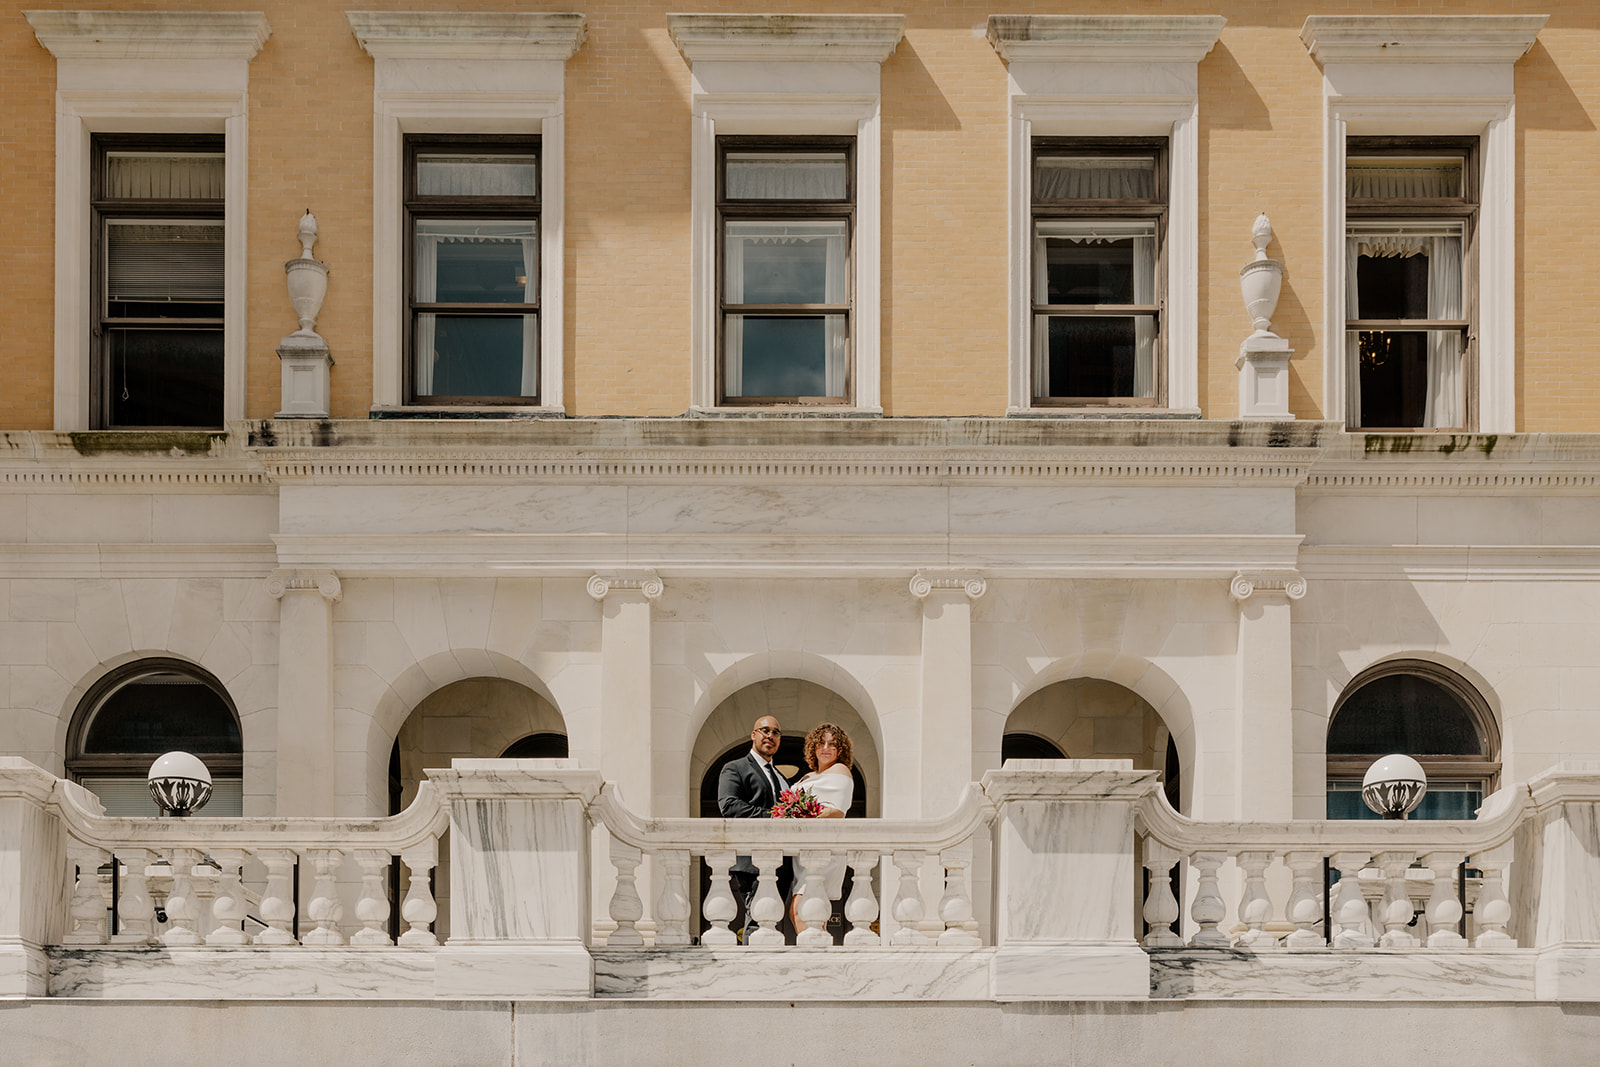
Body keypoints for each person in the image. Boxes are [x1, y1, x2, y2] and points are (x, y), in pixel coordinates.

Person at [716, 715, 790, 940]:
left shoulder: (780, 777)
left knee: (771, 920)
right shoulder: (735, 768)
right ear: (753, 735)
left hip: (783, 861)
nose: (770, 736)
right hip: (752, 860)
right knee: (756, 919)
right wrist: (771, 816)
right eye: (765, 730)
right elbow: (728, 805)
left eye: (776, 732)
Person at [788, 722, 855, 934]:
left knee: (802, 908)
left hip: (824, 848)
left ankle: (814, 957)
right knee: (805, 911)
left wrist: (803, 814)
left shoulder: (840, 770)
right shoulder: (808, 775)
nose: (826, 748)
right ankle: (818, 955)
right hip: (804, 849)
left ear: (840, 749)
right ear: (813, 747)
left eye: (832, 744)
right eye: (821, 743)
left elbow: (837, 811)